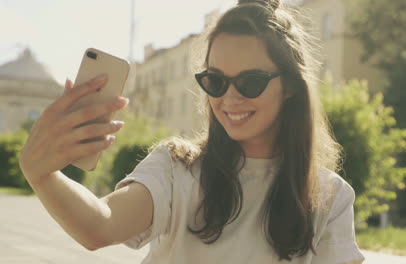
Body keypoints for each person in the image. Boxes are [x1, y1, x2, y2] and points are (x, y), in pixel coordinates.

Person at [19, 0, 365, 263]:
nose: (229, 97)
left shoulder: (330, 197)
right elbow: (100, 226)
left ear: (290, 85)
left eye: (250, 82)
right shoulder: (176, 167)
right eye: (215, 80)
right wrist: (40, 173)